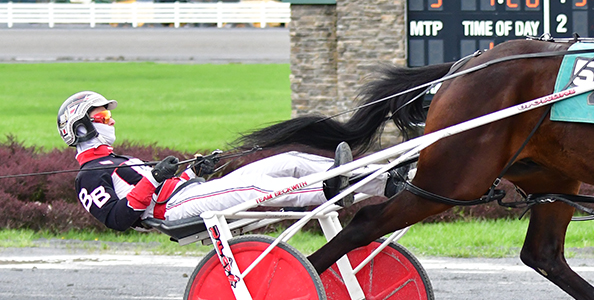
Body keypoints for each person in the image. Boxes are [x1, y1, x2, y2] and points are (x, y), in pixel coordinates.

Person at [58, 91, 391, 231]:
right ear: (82, 127)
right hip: (172, 211)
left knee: (287, 160)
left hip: (189, 193)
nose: (110, 120)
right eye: (103, 115)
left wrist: (194, 171)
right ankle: (328, 189)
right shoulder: (88, 177)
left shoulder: (116, 159)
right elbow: (118, 219)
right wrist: (154, 178)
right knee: (255, 186)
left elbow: (158, 185)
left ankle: (383, 179)